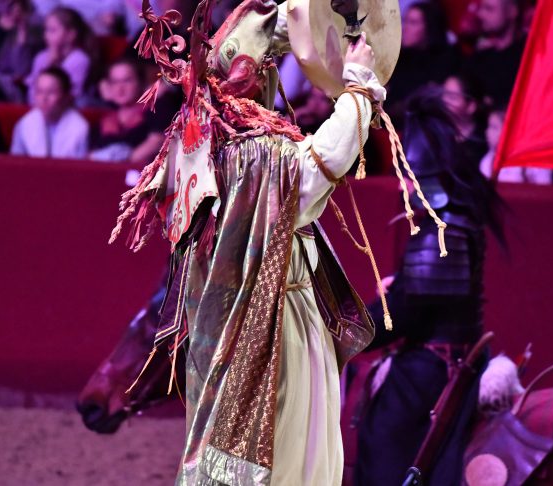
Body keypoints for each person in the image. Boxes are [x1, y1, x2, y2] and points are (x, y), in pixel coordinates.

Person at [109, 1, 385, 483]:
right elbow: (318, 168)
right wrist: (359, 87)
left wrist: (302, 19)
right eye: (267, 67)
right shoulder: (253, 155)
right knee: (293, 459)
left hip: (225, 332)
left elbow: (257, 39)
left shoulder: (195, 141)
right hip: (273, 327)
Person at [354, 89, 503, 486]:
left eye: (407, 174)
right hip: (450, 356)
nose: (402, 184)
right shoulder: (454, 218)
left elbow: (407, 311)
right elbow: (419, 294)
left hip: (434, 366)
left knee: (381, 437)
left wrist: (350, 333)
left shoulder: (443, 228)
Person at [385, 2, 459, 125]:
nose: (405, 28)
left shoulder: (446, 58)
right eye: (405, 21)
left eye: (413, 23)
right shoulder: (401, 56)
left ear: (430, 27)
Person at [89, 59, 174, 164]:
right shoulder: (106, 118)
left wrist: (123, 165)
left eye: (127, 81)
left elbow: (156, 141)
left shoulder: (156, 108)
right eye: (114, 82)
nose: (120, 88)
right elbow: (91, 154)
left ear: (141, 83)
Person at [11, 67, 89, 158]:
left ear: (66, 96)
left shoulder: (80, 128)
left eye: (51, 92)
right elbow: (16, 161)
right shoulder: (25, 124)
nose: (44, 98)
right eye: (39, 92)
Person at [462, 0, 525, 107]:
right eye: (481, 8)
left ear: (512, 11)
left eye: (489, 9)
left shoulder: (526, 58)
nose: (480, 14)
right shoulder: (478, 58)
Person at [26, 7, 93, 104]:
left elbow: (72, 95)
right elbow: (32, 94)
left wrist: (53, 64)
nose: (46, 36)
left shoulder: (80, 59)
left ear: (71, 34)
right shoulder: (41, 57)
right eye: (46, 30)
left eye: (52, 30)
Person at [479, 108, 552, 184]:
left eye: (494, 127)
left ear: (509, 130)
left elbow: (545, 187)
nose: (487, 132)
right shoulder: (487, 161)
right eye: (488, 126)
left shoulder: (533, 158)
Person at [442, 73, 488, 163]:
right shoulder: (433, 130)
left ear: (471, 106)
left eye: (452, 98)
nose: (444, 101)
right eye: (442, 94)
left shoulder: (483, 143)